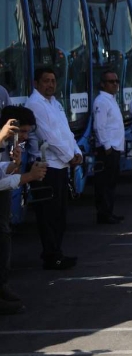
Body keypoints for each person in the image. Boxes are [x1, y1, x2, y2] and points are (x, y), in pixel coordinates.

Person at [26, 67, 82, 270]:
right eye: (45, 81)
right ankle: (52, 256)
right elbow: (48, 137)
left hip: (61, 165)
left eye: (53, 81)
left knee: (59, 214)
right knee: (48, 216)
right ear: (36, 83)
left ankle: (57, 252)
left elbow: (66, 132)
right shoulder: (35, 104)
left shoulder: (55, 103)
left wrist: (77, 152)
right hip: (46, 167)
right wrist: (70, 156)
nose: (50, 85)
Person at [0, 109, 47, 314]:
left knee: (4, 236)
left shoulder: (10, 143)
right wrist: (28, 176)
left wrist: (13, 165)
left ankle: (2, 285)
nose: (25, 137)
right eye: (23, 131)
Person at [92, 71, 125, 224]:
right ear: (103, 84)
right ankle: (103, 213)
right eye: (111, 82)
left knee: (111, 183)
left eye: (116, 81)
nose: (115, 84)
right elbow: (99, 126)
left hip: (115, 147)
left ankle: (109, 211)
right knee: (104, 184)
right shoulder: (101, 101)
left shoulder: (111, 99)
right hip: (107, 149)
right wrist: (107, 147)